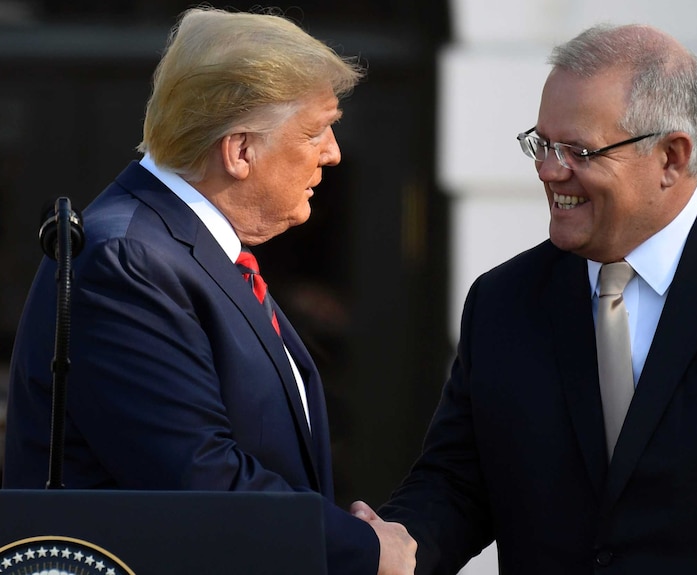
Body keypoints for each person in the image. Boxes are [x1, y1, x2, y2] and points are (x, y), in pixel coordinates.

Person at [367, 23, 697, 574]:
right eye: (543, 144)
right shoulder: (504, 300)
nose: (551, 171)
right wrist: (385, 549)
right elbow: (458, 482)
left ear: (672, 157)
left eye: (578, 150)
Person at [2, 7, 415, 575]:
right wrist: (362, 549)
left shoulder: (185, 251)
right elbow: (199, 478)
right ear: (240, 150)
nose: (333, 152)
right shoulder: (129, 259)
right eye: (316, 130)